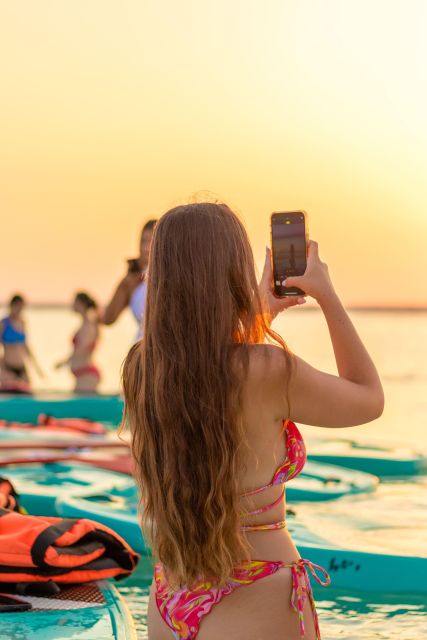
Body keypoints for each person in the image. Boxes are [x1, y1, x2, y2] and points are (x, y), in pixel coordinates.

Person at [121, 202, 384, 640]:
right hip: (257, 590)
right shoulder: (268, 369)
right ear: (232, 273)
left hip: (170, 598)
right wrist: (326, 294)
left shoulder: (142, 368)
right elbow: (367, 399)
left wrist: (262, 312)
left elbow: (208, 374)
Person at [103, 219, 157, 340]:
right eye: (143, 241)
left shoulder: (171, 277)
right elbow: (108, 319)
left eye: (151, 242)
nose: (146, 248)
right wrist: (125, 283)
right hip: (140, 348)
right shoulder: (132, 279)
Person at [55, 292, 100, 393]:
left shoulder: (88, 326)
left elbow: (82, 350)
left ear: (81, 304)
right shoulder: (85, 324)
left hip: (87, 376)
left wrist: (65, 362)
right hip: (82, 376)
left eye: (74, 302)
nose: (72, 305)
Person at [0, 294, 43, 393]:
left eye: (22, 308)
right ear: (12, 306)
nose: (20, 311)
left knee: (28, 394)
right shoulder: (3, 323)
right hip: (7, 367)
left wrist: (37, 368)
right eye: (18, 307)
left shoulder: (22, 322)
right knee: (8, 394)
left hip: (21, 367)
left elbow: (25, 346)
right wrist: (2, 368)